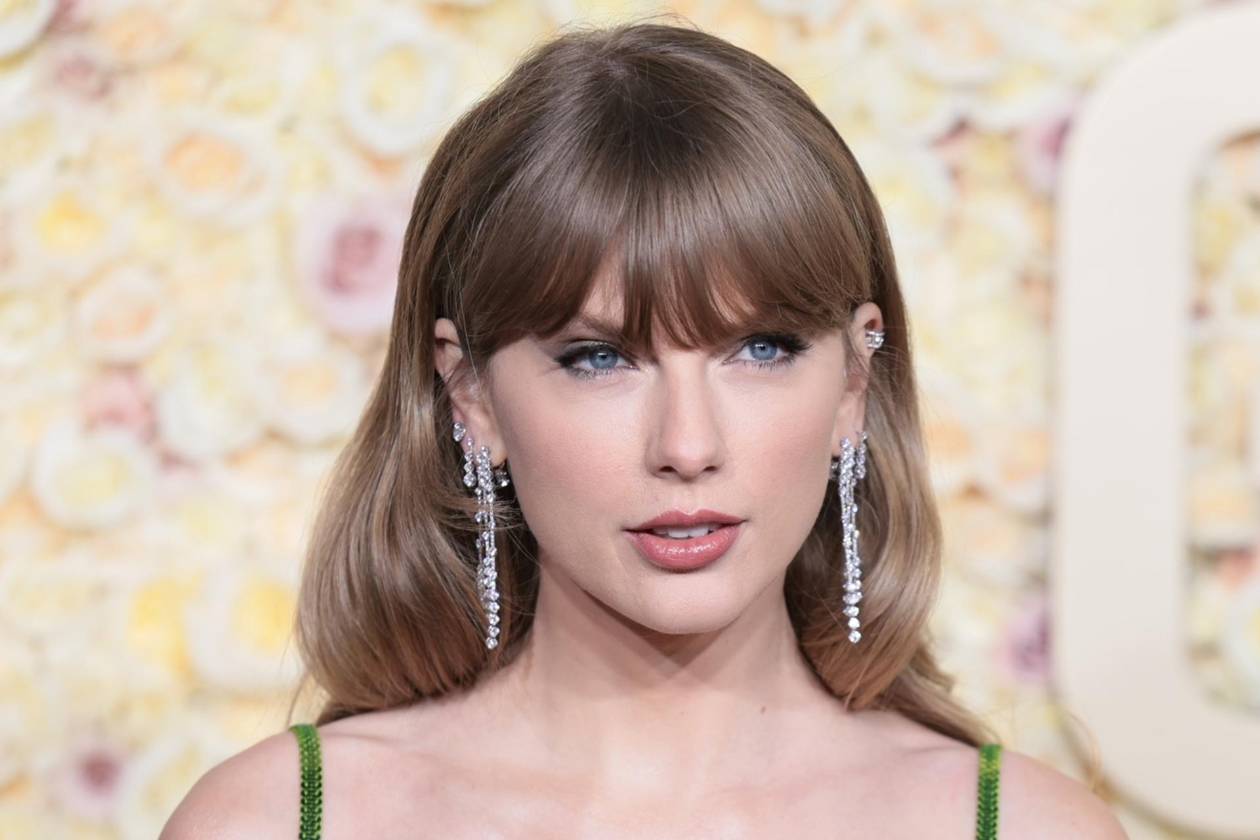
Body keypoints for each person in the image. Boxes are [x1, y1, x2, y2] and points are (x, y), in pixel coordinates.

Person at [161, 18, 1127, 839]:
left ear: (853, 381)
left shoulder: (1027, 828)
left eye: (761, 349)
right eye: (600, 359)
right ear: (471, 395)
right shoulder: (274, 822)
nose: (688, 445)